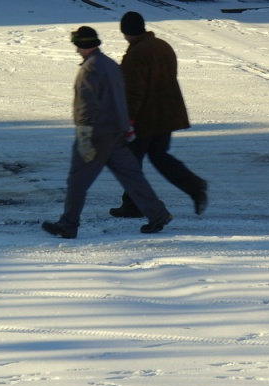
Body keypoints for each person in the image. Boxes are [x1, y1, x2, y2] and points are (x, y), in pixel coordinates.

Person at [41, 26, 172, 239]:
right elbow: (121, 97)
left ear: (81, 45)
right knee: (132, 177)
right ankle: (158, 214)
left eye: (77, 45)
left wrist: (84, 137)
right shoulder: (110, 64)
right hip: (117, 132)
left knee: (77, 181)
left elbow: (86, 105)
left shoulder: (90, 70)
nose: (76, 50)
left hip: (96, 135)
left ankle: (68, 225)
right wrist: (126, 125)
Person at [110, 12, 208, 219]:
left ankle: (135, 205)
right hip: (167, 113)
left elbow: (133, 92)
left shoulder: (137, 54)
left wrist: (128, 120)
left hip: (147, 118)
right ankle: (194, 186)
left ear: (126, 31)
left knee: (130, 163)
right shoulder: (162, 46)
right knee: (158, 156)